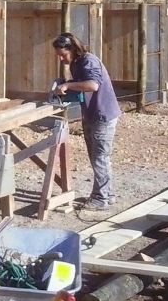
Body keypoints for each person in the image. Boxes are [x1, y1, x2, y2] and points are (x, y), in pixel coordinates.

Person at [52, 32, 122, 211]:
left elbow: (93, 85)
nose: (60, 58)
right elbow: (82, 84)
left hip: (102, 115)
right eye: (58, 55)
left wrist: (67, 86)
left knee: (100, 158)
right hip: (92, 114)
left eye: (63, 54)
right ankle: (107, 193)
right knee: (97, 157)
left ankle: (101, 198)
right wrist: (66, 83)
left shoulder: (88, 61)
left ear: (73, 49)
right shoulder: (76, 63)